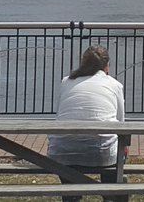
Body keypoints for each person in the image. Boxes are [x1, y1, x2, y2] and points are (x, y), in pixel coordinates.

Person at [48, 45, 125, 201]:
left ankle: (72, 196)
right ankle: (109, 195)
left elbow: (60, 115)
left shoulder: (66, 82)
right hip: (101, 153)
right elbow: (120, 124)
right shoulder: (114, 85)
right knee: (115, 158)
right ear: (106, 65)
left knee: (68, 164)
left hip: (61, 152)